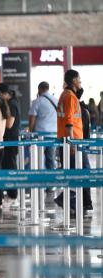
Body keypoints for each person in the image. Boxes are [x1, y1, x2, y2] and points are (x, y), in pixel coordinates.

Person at [56, 69, 87, 217]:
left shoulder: (66, 94)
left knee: (75, 172)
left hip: (69, 139)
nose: (80, 81)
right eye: (79, 79)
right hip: (72, 139)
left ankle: (71, 204)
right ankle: (67, 201)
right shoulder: (70, 97)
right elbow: (69, 120)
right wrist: (72, 142)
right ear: (74, 80)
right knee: (79, 171)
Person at [0, 83, 20, 207]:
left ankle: (13, 195)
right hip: (6, 140)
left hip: (11, 140)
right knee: (6, 166)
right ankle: (10, 194)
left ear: (5, 93)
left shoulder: (12, 104)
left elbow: (9, 124)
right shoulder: (8, 103)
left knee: (10, 167)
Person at [28, 81, 58, 170]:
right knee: (51, 158)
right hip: (53, 134)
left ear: (39, 89)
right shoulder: (56, 100)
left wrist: (31, 131)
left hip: (40, 135)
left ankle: (40, 178)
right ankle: (52, 178)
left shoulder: (37, 101)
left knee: (38, 158)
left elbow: (32, 118)